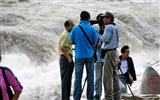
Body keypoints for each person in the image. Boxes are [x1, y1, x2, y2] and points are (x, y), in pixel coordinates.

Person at [70, 11, 98, 100]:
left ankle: (76, 98)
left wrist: (79, 42)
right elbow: (95, 43)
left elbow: (71, 42)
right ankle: (90, 98)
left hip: (79, 56)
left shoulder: (75, 28)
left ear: (80, 18)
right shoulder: (92, 29)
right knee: (90, 78)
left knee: (78, 78)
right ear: (88, 18)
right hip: (90, 56)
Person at [99, 11, 121, 100]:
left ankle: (108, 97)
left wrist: (99, 36)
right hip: (115, 52)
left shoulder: (108, 27)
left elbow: (105, 39)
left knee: (107, 76)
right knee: (115, 75)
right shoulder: (115, 27)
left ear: (109, 19)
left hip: (109, 53)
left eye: (104, 18)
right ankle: (117, 96)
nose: (103, 19)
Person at [58, 20, 75, 100]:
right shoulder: (65, 35)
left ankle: (66, 98)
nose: (73, 27)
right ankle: (65, 98)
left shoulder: (66, 34)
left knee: (67, 80)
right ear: (67, 26)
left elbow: (66, 47)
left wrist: (72, 49)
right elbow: (62, 47)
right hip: (65, 59)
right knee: (66, 81)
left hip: (65, 58)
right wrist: (68, 58)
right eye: (72, 25)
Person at [94, 13, 105, 100]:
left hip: (107, 57)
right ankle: (97, 95)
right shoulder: (96, 32)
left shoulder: (109, 30)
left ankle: (109, 95)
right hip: (98, 57)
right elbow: (94, 44)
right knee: (98, 78)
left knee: (108, 78)